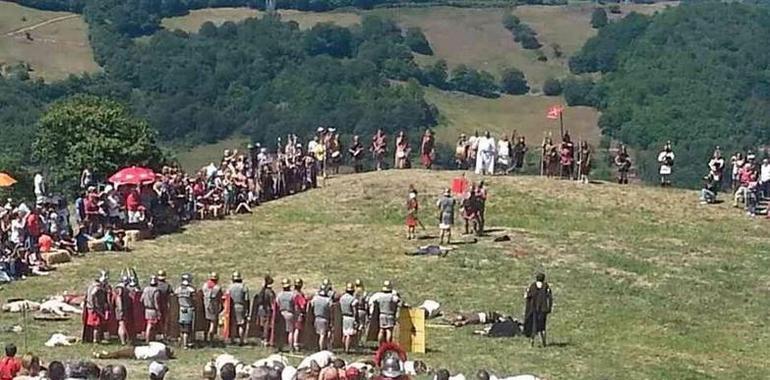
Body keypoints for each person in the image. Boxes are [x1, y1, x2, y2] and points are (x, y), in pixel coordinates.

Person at [523, 273, 553, 347]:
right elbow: (550, 297)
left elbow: (527, 296)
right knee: (542, 326)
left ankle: (532, 342)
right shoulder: (546, 287)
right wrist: (549, 308)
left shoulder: (532, 286)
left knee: (534, 326)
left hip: (534, 309)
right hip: (543, 309)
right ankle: (544, 342)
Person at [226, 271, 250, 345]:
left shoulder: (230, 287)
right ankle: (241, 340)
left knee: (233, 324)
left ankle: (232, 339)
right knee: (241, 324)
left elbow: (226, 297)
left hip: (232, 307)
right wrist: (247, 309)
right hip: (241, 306)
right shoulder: (244, 287)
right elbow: (246, 299)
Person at [85, 274, 109, 343]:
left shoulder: (90, 286)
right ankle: (96, 340)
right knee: (96, 326)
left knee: (96, 326)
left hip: (91, 308)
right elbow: (93, 294)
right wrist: (94, 306)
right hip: (95, 309)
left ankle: (96, 339)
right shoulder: (96, 287)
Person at [175, 273, 196, 349]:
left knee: (182, 327)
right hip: (188, 309)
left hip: (181, 309)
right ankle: (186, 344)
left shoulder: (178, 290)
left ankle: (182, 342)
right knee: (187, 328)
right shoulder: (191, 290)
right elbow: (194, 300)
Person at [254, 275, 276, 345]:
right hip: (267, 309)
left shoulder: (262, 291)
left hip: (260, 309)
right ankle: (266, 339)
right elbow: (272, 303)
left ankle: (262, 338)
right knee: (266, 325)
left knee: (262, 325)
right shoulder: (270, 292)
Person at [202, 272, 223, 345]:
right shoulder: (217, 288)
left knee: (206, 322)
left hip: (205, 304)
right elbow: (220, 297)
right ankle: (211, 339)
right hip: (213, 305)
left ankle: (205, 338)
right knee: (212, 322)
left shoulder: (204, 285)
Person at [94, 342, 173, 361]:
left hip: (137, 350)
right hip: (138, 356)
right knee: (120, 354)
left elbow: (150, 343)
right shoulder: (164, 357)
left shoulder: (162, 346)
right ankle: (108, 354)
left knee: (119, 353)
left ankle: (102, 355)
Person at [276, 278, 296, 352]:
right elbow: (295, 305)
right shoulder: (292, 295)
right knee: (290, 332)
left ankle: (280, 347)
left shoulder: (279, 295)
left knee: (281, 331)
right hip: (290, 313)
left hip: (281, 313)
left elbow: (277, 304)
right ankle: (291, 347)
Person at [311, 285, 333, 351]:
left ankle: (318, 347)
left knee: (318, 334)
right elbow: (331, 309)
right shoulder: (328, 300)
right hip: (324, 318)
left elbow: (311, 306)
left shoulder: (315, 298)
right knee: (322, 335)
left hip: (316, 318)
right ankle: (321, 349)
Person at [339, 283, 359, 353]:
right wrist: (356, 319)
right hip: (350, 317)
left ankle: (343, 347)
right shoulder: (353, 300)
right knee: (349, 335)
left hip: (344, 317)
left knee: (344, 334)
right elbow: (355, 311)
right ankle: (347, 349)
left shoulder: (342, 298)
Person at [141, 276, 162, 344]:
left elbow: (141, 299)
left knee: (150, 324)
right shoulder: (156, 290)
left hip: (146, 309)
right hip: (153, 310)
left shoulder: (145, 289)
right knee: (150, 325)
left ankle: (150, 339)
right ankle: (148, 339)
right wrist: (158, 311)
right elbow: (156, 302)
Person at [114, 276, 133, 345]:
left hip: (122, 309)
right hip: (121, 310)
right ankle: (123, 341)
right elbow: (119, 299)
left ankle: (123, 340)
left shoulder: (121, 288)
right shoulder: (120, 289)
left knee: (121, 324)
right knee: (122, 325)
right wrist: (121, 309)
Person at [292, 278, 309, 352]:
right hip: (298, 313)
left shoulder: (291, 293)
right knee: (297, 329)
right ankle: (295, 343)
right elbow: (302, 305)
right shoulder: (299, 294)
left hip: (292, 312)